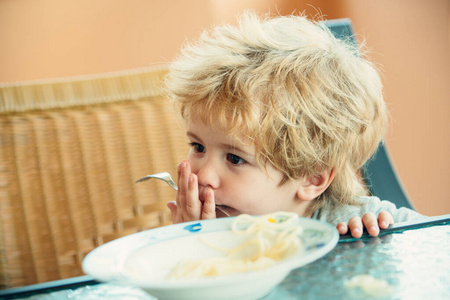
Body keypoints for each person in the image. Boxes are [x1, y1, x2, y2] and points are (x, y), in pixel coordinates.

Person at [164, 11, 423, 238]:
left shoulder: (353, 223)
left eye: (234, 158)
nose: (204, 175)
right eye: (198, 146)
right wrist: (192, 247)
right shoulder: (201, 230)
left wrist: (385, 244)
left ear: (312, 178)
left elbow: (435, 239)